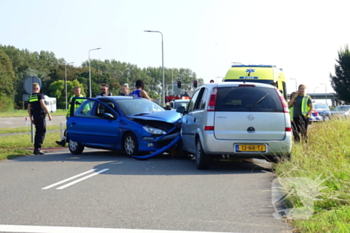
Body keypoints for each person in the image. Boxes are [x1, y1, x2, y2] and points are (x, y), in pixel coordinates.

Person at [28, 83, 52, 155]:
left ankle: (36, 149)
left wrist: (31, 118)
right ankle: (38, 149)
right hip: (41, 116)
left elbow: (29, 108)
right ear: (37, 88)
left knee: (37, 132)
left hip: (35, 116)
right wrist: (49, 114)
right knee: (42, 132)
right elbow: (42, 104)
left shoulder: (31, 96)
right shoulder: (40, 95)